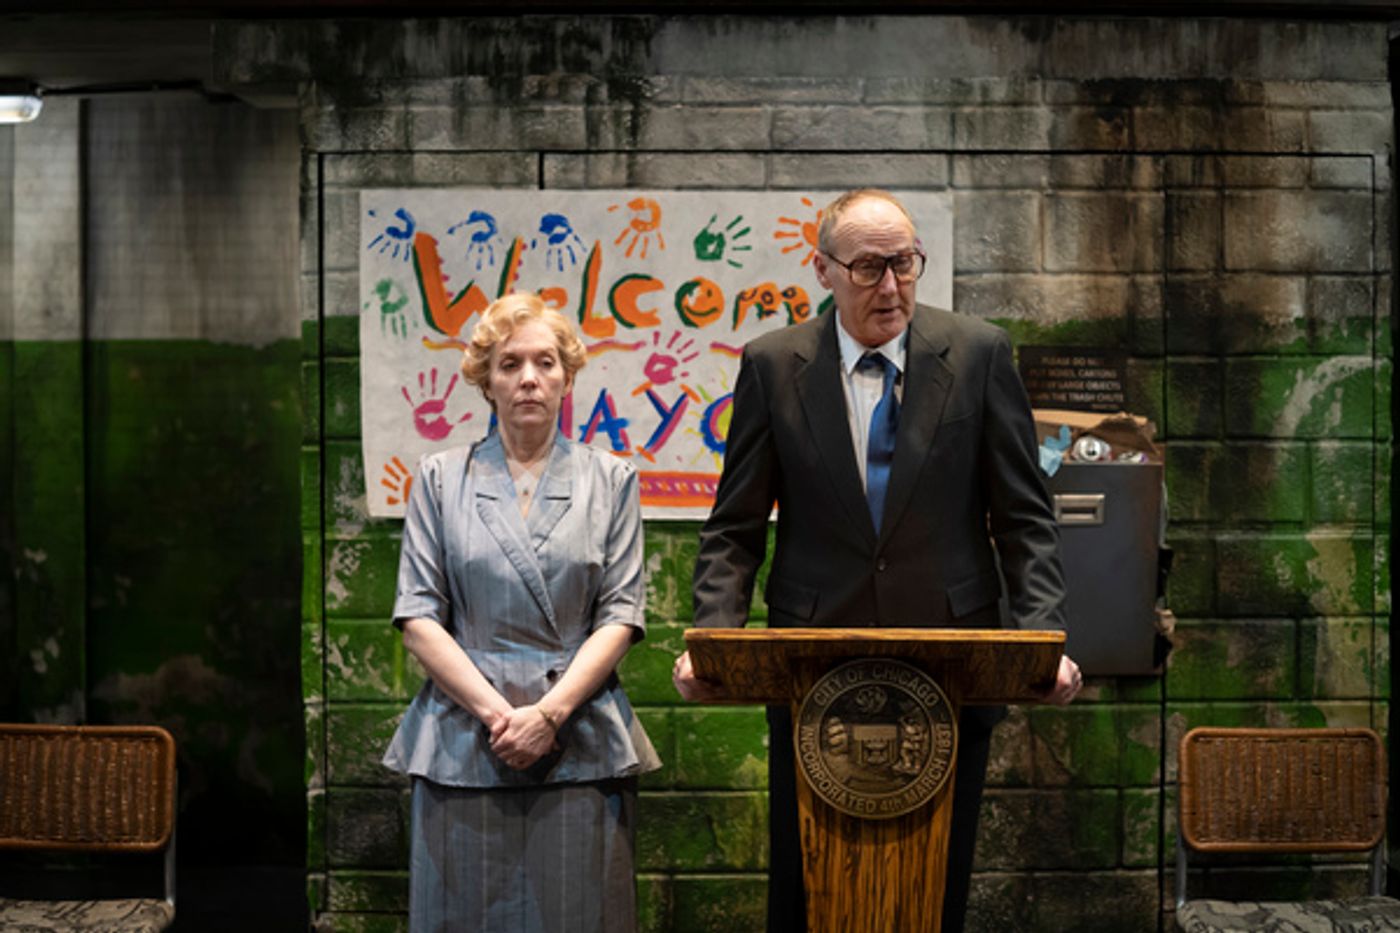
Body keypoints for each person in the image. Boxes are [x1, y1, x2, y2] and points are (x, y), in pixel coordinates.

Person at [673, 189, 1082, 933]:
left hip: (951, 668)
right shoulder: (772, 365)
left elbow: (1025, 518)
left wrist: (1041, 642)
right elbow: (735, 527)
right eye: (867, 268)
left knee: (933, 892)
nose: (890, 287)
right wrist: (715, 644)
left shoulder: (980, 353)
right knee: (808, 893)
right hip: (813, 673)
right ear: (823, 268)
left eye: (903, 263)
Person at [383, 292, 660, 933]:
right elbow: (418, 615)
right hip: (463, 738)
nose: (529, 378)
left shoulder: (610, 479)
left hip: (579, 738)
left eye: (545, 362)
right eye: (510, 364)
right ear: (486, 380)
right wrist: (501, 717)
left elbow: (621, 614)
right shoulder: (440, 478)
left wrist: (549, 714)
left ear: (568, 376)